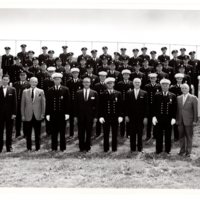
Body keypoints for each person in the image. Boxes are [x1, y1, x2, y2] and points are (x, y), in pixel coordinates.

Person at [46, 73, 70, 151]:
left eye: (58, 79)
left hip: (62, 114)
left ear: (61, 80)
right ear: (53, 80)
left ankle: (63, 147)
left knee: (62, 132)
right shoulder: (50, 90)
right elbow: (48, 103)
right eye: (55, 79)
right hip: (53, 114)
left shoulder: (65, 89)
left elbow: (67, 103)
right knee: (54, 132)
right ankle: (54, 147)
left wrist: (67, 113)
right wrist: (48, 114)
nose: (57, 81)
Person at [152, 78, 177, 155]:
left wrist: (173, 118)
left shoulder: (172, 95)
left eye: (166, 85)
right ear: (161, 86)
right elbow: (154, 107)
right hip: (159, 118)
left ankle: (167, 150)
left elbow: (174, 108)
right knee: (158, 135)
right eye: (163, 85)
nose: (165, 86)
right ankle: (158, 150)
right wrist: (154, 116)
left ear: (169, 86)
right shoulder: (157, 95)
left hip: (168, 118)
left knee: (168, 135)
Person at [21, 77, 46, 151]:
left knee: (37, 133)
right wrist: (23, 115)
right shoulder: (25, 92)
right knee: (28, 133)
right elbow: (23, 104)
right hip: (28, 115)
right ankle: (29, 147)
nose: (33, 83)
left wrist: (42, 114)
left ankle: (37, 148)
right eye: (32, 82)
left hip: (37, 115)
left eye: (35, 82)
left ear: (37, 83)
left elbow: (43, 104)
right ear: (30, 82)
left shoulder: (41, 91)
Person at [99, 77, 123, 152]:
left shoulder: (118, 93)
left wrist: (120, 116)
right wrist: (101, 116)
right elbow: (100, 106)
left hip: (115, 116)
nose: (110, 85)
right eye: (108, 83)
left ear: (113, 84)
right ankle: (106, 148)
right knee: (105, 133)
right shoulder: (103, 94)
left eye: (111, 83)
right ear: (106, 85)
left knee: (115, 133)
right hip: (106, 116)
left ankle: (114, 148)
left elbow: (120, 106)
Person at [75, 77, 99, 152]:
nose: (86, 83)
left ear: (90, 83)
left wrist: (95, 117)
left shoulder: (94, 93)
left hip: (90, 116)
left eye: (87, 82)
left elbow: (97, 106)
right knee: (81, 132)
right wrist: (75, 116)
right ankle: (81, 147)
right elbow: (75, 105)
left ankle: (88, 147)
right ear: (82, 83)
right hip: (80, 116)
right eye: (85, 82)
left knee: (89, 132)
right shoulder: (78, 93)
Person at [125, 78, 148, 153]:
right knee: (132, 133)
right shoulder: (129, 93)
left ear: (140, 83)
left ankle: (140, 148)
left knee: (140, 132)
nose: (137, 84)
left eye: (138, 82)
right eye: (135, 82)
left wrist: (145, 117)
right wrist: (126, 115)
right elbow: (126, 106)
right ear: (133, 83)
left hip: (141, 117)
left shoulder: (144, 93)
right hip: (131, 117)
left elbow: (146, 106)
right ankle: (132, 148)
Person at [176, 83, 198, 157]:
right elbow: (177, 110)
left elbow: (195, 111)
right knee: (181, 137)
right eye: (182, 88)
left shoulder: (193, 98)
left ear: (188, 89)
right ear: (181, 89)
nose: (184, 89)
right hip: (180, 120)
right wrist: (177, 119)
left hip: (189, 121)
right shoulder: (178, 98)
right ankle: (182, 151)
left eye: (185, 88)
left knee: (189, 136)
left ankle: (188, 152)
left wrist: (195, 120)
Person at [0, 74, 17, 153]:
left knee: (9, 131)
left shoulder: (12, 89)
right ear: (1, 80)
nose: (5, 81)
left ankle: (9, 147)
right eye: (4, 79)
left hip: (10, 114)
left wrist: (14, 113)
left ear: (9, 80)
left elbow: (15, 103)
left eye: (6, 79)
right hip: (0, 114)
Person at [116, 69, 133, 137]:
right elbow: (117, 93)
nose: (126, 76)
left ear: (129, 76)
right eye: (124, 75)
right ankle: (122, 133)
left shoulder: (131, 83)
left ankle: (128, 133)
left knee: (129, 118)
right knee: (122, 118)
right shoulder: (119, 83)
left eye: (127, 75)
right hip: (121, 103)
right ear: (123, 76)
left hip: (129, 103)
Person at [66, 68, 83, 138]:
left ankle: (80, 133)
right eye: (73, 73)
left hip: (79, 103)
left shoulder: (81, 81)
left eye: (76, 73)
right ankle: (71, 134)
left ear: (78, 74)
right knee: (71, 120)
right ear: (72, 74)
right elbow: (67, 92)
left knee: (80, 119)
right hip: (71, 103)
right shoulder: (68, 82)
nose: (75, 74)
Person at [13, 72, 30, 138]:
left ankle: (25, 133)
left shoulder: (28, 84)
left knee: (25, 119)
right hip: (17, 103)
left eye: (24, 76)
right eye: (21, 76)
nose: (23, 77)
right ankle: (18, 132)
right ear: (19, 76)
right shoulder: (15, 84)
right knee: (18, 119)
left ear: (26, 76)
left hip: (25, 104)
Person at [144, 73, 161, 141]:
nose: (153, 79)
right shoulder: (147, 86)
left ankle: (155, 135)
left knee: (155, 121)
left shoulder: (159, 86)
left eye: (154, 78)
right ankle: (148, 135)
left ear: (156, 79)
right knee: (149, 122)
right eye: (151, 78)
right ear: (150, 79)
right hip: (149, 106)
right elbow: (145, 96)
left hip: (156, 106)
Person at [93, 71, 107, 137]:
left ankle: (105, 132)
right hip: (98, 104)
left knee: (105, 118)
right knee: (98, 118)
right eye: (101, 76)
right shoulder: (96, 85)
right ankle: (98, 132)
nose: (102, 77)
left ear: (105, 77)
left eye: (104, 76)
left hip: (105, 104)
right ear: (99, 77)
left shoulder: (107, 85)